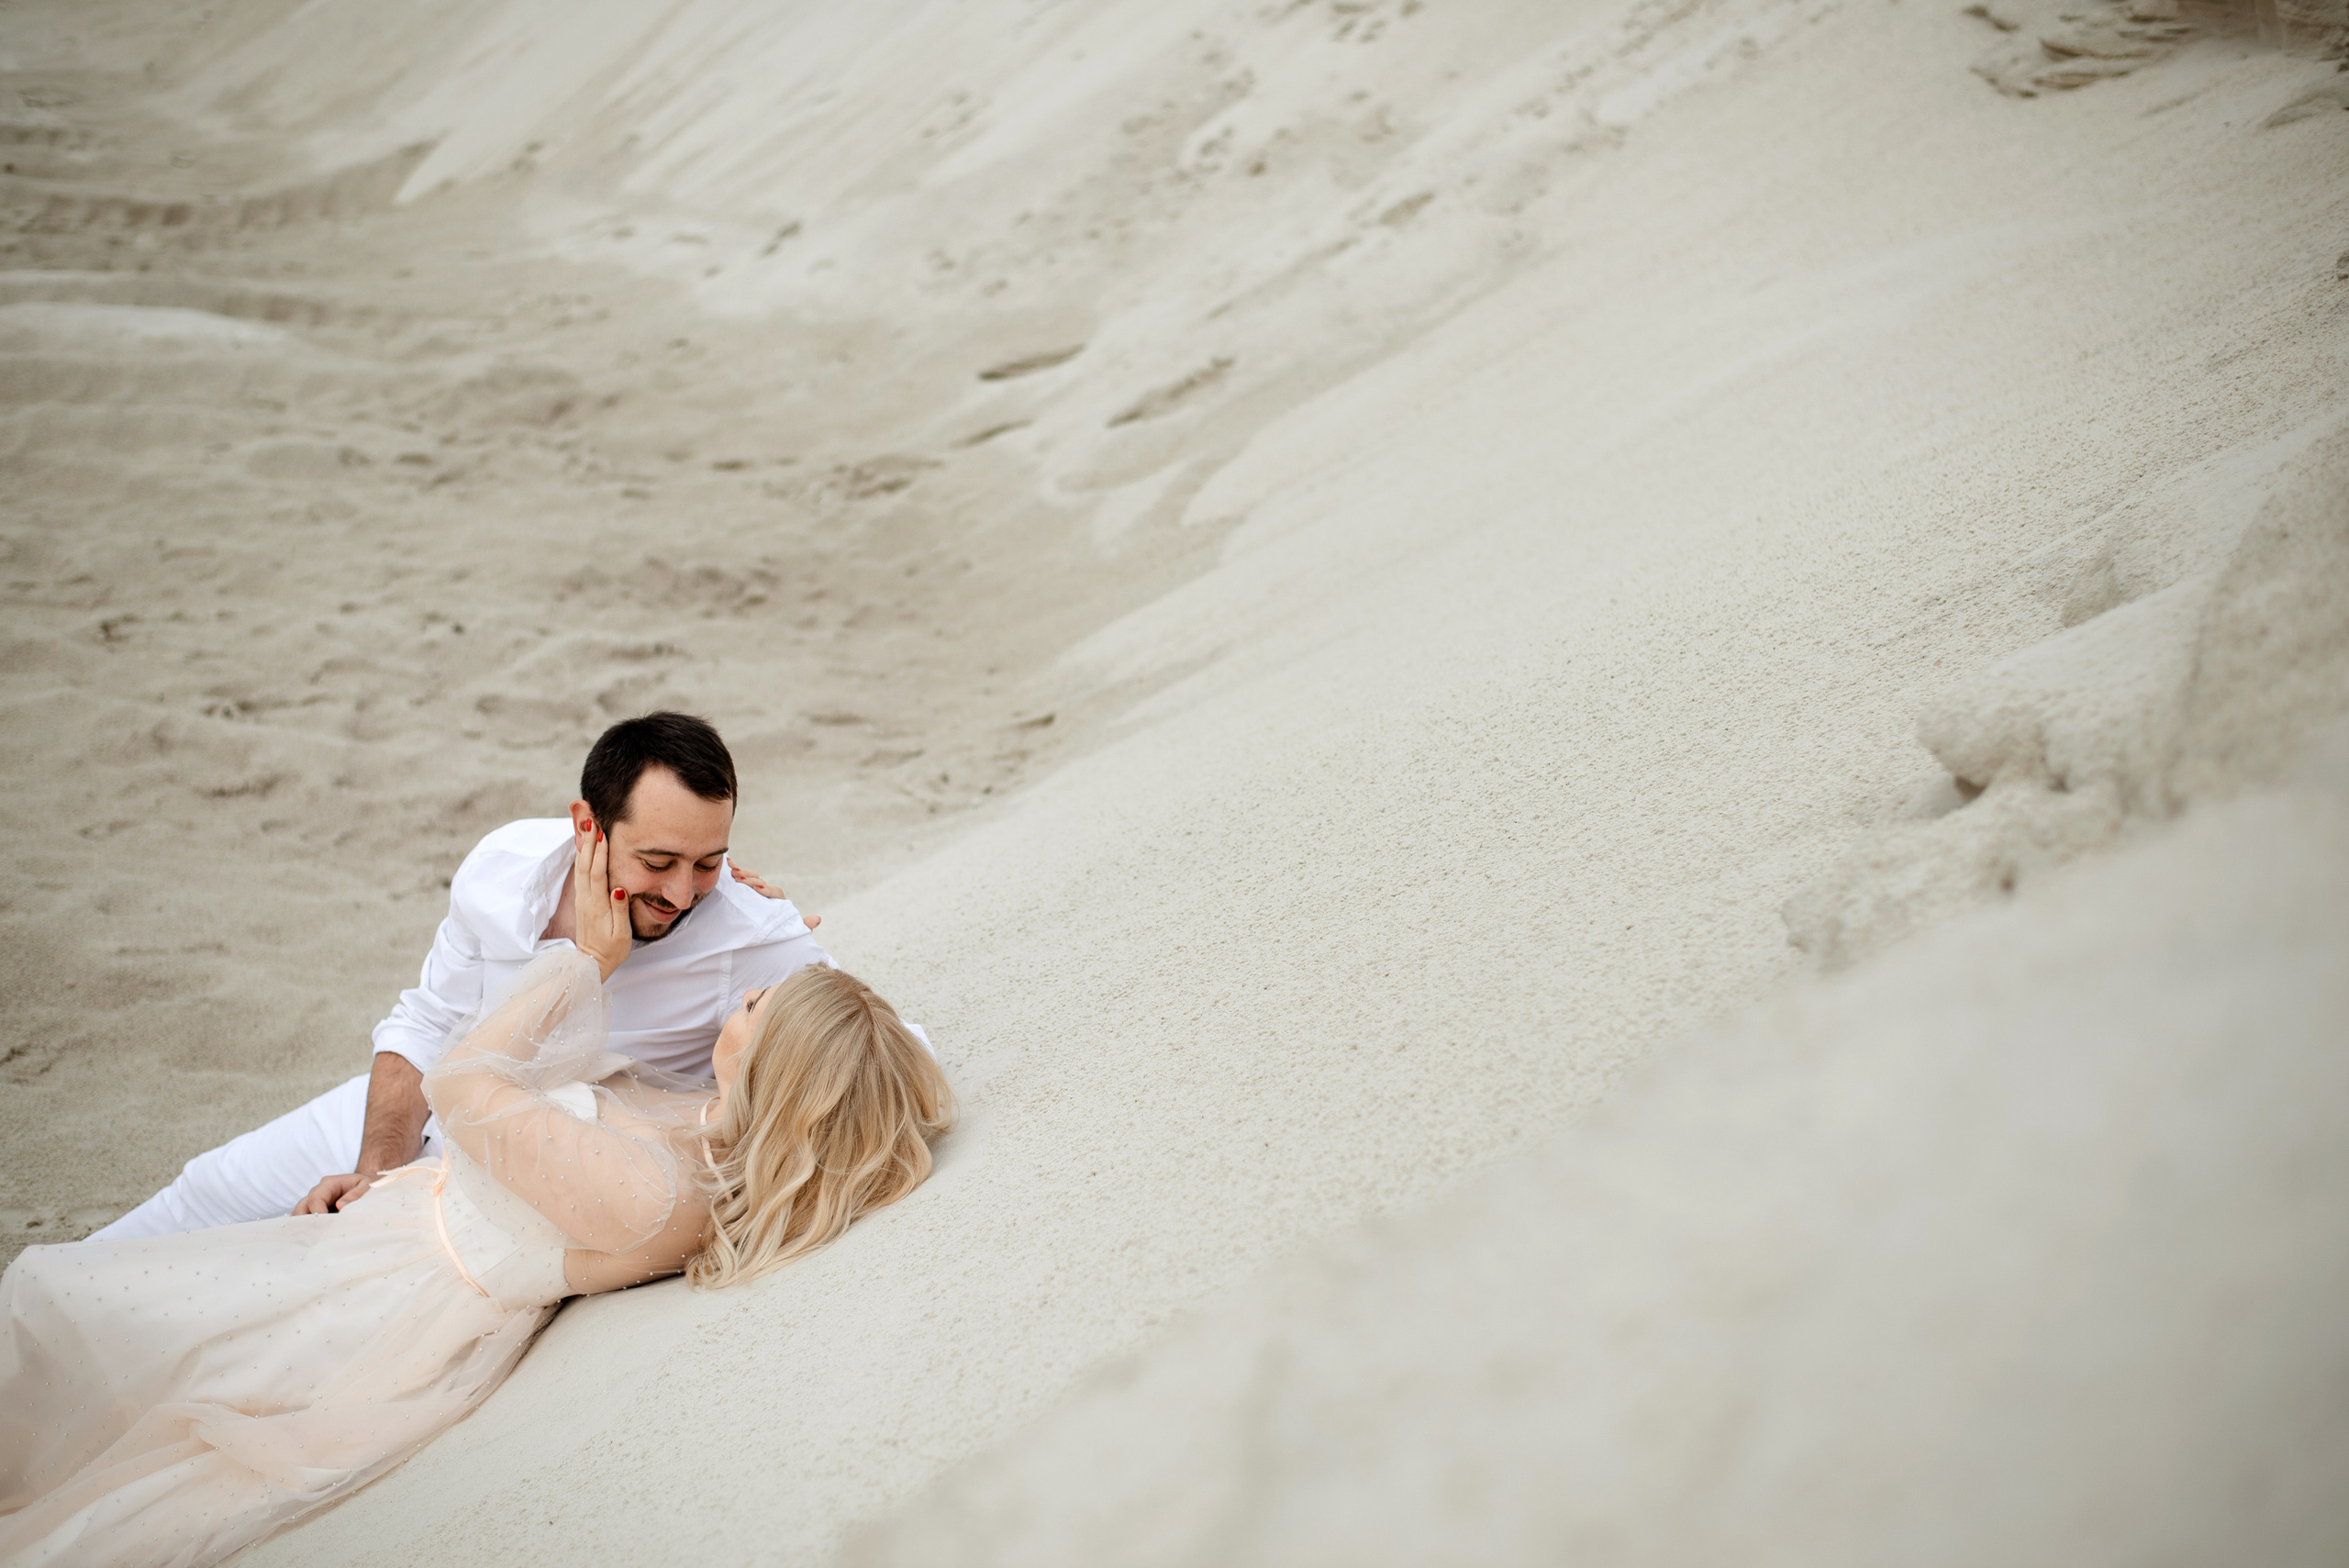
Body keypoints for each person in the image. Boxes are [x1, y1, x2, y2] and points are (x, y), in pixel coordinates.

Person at [0, 824, 954, 1568]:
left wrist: (585, 959)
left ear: (776, 1066)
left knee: (66, 1323)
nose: (737, 1000)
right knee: (84, 1326)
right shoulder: (702, 1125)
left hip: (376, 1302)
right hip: (384, 1222)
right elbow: (879, 1054)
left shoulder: (662, 1185)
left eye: (753, 1005)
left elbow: (464, 1083)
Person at [91, 711, 832, 1240]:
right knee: (194, 1200)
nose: (681, 895)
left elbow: (869, 1052)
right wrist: (376, 1169)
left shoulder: (753, 930)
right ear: (588, 827)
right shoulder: (503, 868)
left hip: (518, 1187)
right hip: (409, 1117)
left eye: (709, 860)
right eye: (658, 862)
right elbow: (424, 1023)